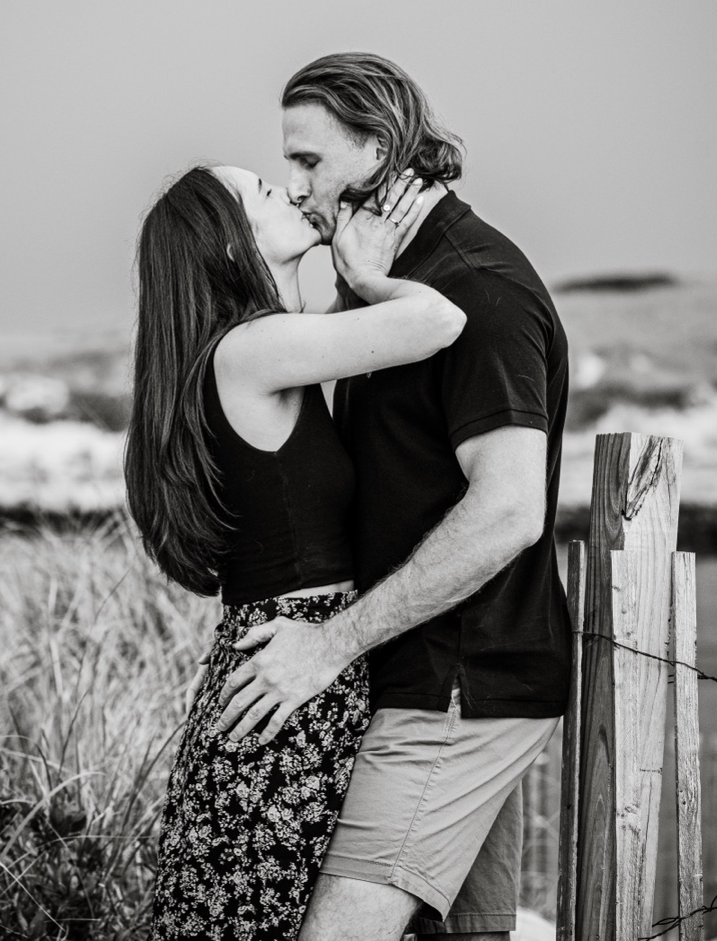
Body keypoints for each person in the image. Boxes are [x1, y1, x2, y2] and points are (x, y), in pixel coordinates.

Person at [210, 53, 571, 941]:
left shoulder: (477, 290)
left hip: (457, 687)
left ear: (376, 149)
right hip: (421, 678)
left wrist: (328, 647)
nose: (295, 188)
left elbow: (511, 511)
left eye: (309, 162)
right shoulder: (396, 293)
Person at [131, 159, 465, 940]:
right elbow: (440, 322)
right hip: (294, 677)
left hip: (272, 666)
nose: (284, 189)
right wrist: (369, 275)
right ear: (226, 242)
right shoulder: (254, 348)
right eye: (258, 192)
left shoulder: (235, 352)